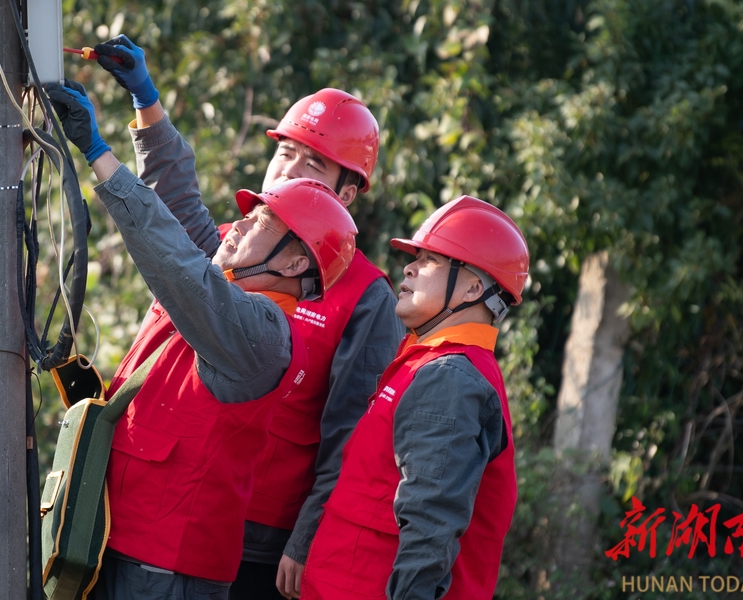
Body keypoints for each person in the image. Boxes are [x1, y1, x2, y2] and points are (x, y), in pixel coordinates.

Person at [92, 35, 403, 599]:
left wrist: (306, 540)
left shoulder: (366, 296)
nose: (290, 171)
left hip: (260, 538)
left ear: (349, 192)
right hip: (161, 513)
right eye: (286, 153)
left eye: (314, 163)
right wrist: (145, 100)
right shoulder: (239, 249)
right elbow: (176, 211)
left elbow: (351, 433)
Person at [43, 78, 358, 600]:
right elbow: (177, 208)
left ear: (296, 261)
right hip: (117, 538)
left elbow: (172, 258)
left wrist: (101, 155)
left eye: (261, 221)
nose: (239, 225)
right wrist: (146, 104)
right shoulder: (226, 285)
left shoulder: (265, 335)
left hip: (165, 567)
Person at [299, 195, 530, 600]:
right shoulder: (430, 363)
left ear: (474, 287)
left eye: (431, 260)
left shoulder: (449, 379)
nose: (409, 268)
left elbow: (429, 529)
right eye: (416, 257)